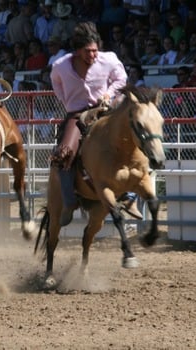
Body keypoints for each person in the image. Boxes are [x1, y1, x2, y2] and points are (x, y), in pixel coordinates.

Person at [50, 22, 141, 226]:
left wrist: (109, 94)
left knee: (131, 140)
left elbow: (121, 78)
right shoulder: (61, 65)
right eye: (87, 51)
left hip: (105, 111)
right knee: (65, 152)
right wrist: (66, 101)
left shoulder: (108, 59)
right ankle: (69, 201)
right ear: (78, 50)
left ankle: (130, 196)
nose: (92, 55)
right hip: (77, 114)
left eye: (94, 50)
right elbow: (55, 81)